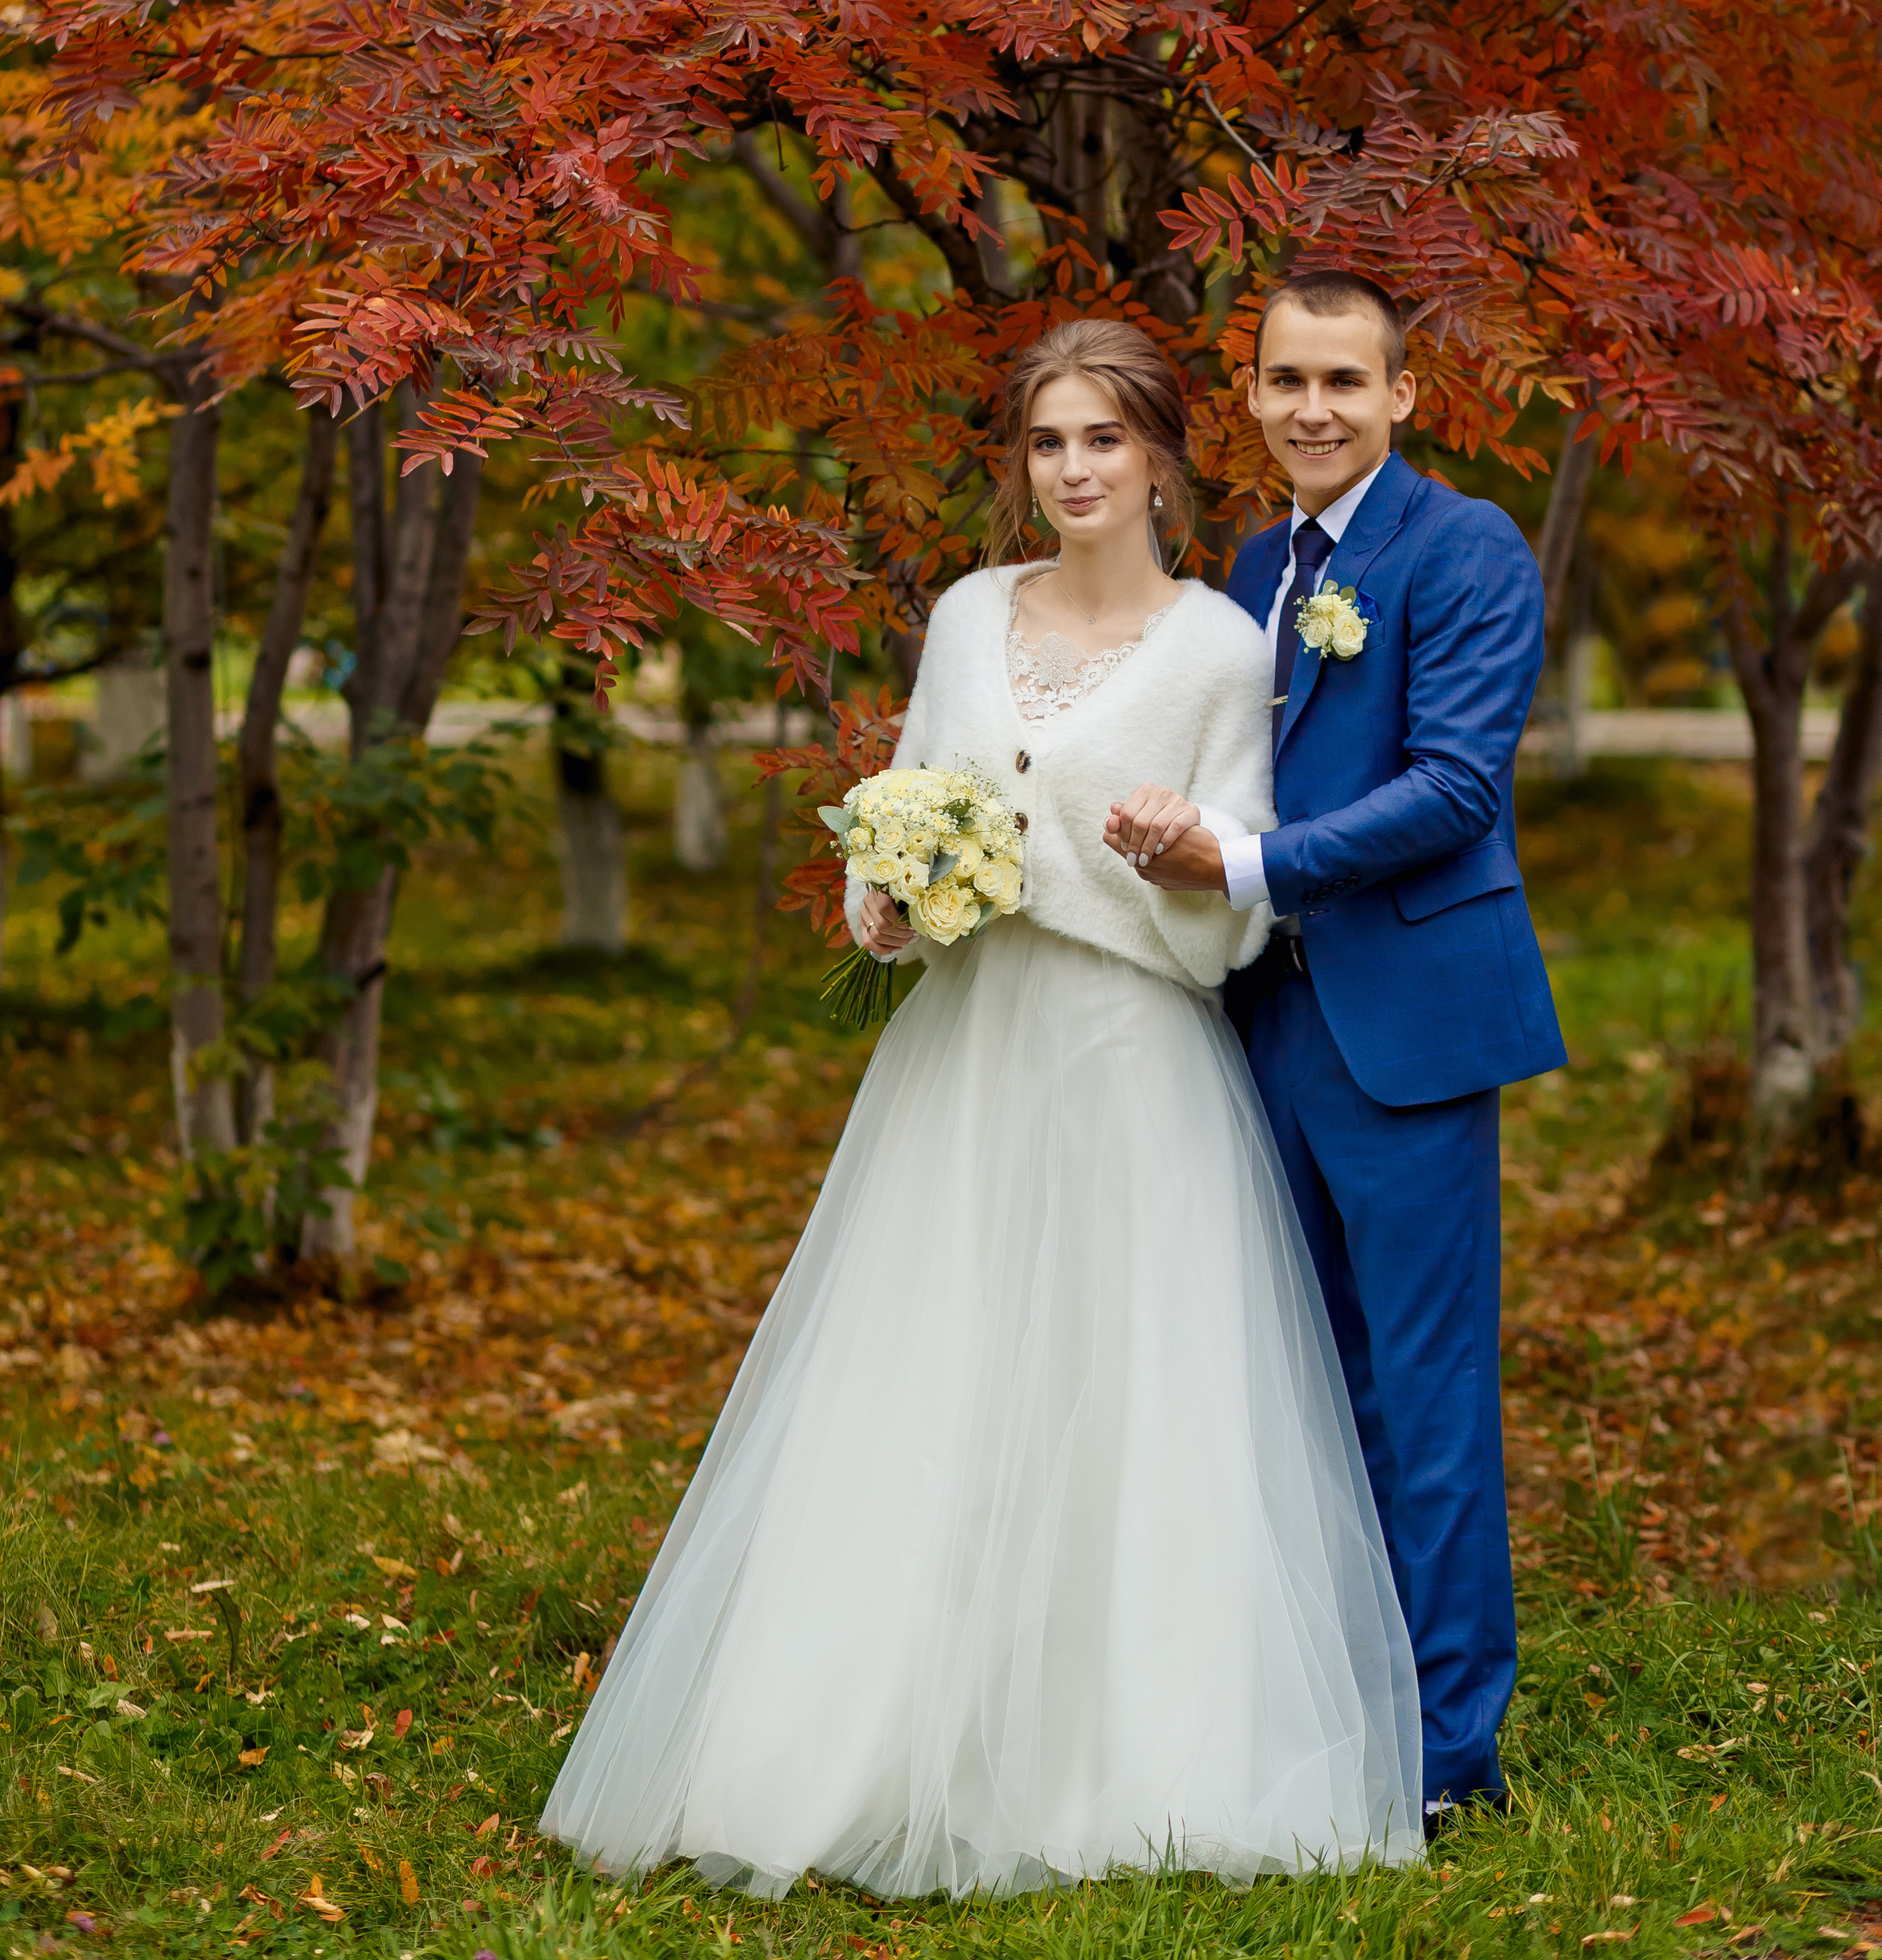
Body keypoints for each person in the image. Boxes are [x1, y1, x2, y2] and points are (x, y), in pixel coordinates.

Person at [542, 316, 1424, 1899]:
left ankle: (1116, 1757)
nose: (1073, 469)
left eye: (1102, 438)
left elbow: (1235, 915)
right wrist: (886, 896)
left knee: (1122, 1396)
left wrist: (1167, 860)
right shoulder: (963, 616)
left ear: (1160, 455)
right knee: (930, 1369)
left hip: (1128, 1058)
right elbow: (905, 815)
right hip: (963, 1053)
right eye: (1044, 441)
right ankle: (866, 1735)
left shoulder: (1224, 648)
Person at [1103, 271, 1566, 1838]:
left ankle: (1448, 1758)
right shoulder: (1247, 564)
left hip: (1406, 1026)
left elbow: (1450, 788)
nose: (1313, 408)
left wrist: (1240, 868)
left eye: (1343, 383)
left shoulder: (1464, 547)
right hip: (1262, 1017)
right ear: (1248, 393)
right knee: (1298, 1387)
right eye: (1285, 380)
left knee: (1421, 1392)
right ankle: (1326, 1707)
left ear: (1403, 394)